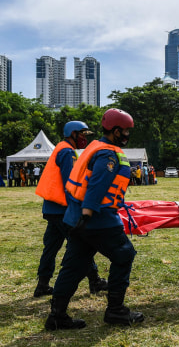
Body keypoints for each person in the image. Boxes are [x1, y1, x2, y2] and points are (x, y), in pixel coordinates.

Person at [45, 109, 143, 330]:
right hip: (98, 219)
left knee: (74, 266)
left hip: (76, 218)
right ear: (116, 130)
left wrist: (81, 216)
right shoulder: (108, 154)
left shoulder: (93, 148)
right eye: (125, 131)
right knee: (124, 255)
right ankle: (116, 311)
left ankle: (57, 316)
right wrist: (88, 212)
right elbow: (98, 184)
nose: (127, 134)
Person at [34, 121, 108, 299]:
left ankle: (42, 284)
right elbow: (71, 183)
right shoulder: (67, 152)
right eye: (82, 134)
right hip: (62, 209)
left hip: (52, 208)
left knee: (51, 247)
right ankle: (95, 280)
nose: (84, 138)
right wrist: (79, 208)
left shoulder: (61, 148)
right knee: (81, 244)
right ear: (72, 133)